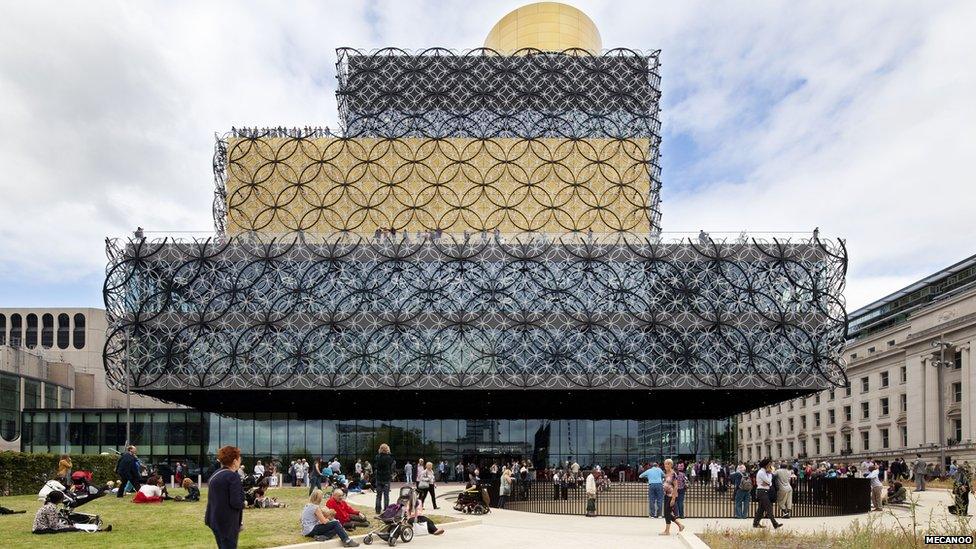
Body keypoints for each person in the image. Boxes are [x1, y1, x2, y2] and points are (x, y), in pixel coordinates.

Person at [205, 445, 246, 549]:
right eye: (239, 458)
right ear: (235, 461)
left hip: (214, 519)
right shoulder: (233, 476)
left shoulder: (216, 474)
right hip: (227, 522)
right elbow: (235, 502)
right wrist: (244, 503)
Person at [33, 490, 112, 534]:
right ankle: (100, 530)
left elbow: (53, 523)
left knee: (72, 526)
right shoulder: (50, 508)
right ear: (58, 499)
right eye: (62, 498)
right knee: (74, 528)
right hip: (42, 530)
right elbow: (53, 526)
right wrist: (67, 526)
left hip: (40, 528)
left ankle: (98, 529)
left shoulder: (49, 505)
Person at [753, 458, 782, 529]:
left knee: (761, 510)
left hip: (764, 491)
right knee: (769, 508)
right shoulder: (762, 472)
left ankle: (755, 523)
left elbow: (769, 483)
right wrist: (769, 474)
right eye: (769, 465)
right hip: (762, 491)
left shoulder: (764, 472)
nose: (770, 466)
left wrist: (768, 482)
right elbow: (769, 481)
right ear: (766, 465)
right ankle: (775, 524)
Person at [661, 459, 685, 535]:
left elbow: (676, 486)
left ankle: (667, 531)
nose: (666, 466)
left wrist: (673, 498)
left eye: (667, 464)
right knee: (666, 513)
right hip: (666, 495)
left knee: (667, 513)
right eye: (665, 464)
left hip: (671, 496)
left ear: (671, 465)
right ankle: (680, 525)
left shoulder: (673, 474)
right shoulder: (666, 473)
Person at [374, 443, 394, 514]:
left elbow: (375, 466)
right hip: (386, 478)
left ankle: (377, 510)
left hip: (379, 478)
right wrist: (389, 453)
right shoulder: (389, 457)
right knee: (386, 495)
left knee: (378, 496)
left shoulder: (377, 457)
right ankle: (386, 510)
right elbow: (392, 463)